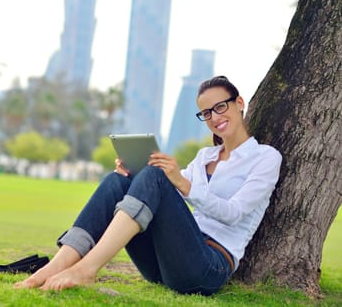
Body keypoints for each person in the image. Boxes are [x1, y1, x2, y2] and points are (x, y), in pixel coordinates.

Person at [15, 75, 282, 295]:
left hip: (207, 267)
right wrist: (133, 173)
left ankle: (87, 269)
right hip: (162, 264)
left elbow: (234, 213)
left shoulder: (265, 158)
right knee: (118, 180)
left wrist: (181, 183)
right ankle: (57, 265)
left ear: (239, 103)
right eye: (206, 112)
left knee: (155, 176)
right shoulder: (205, 157)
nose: (214, 117)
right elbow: (162, 187)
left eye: (220, 107)